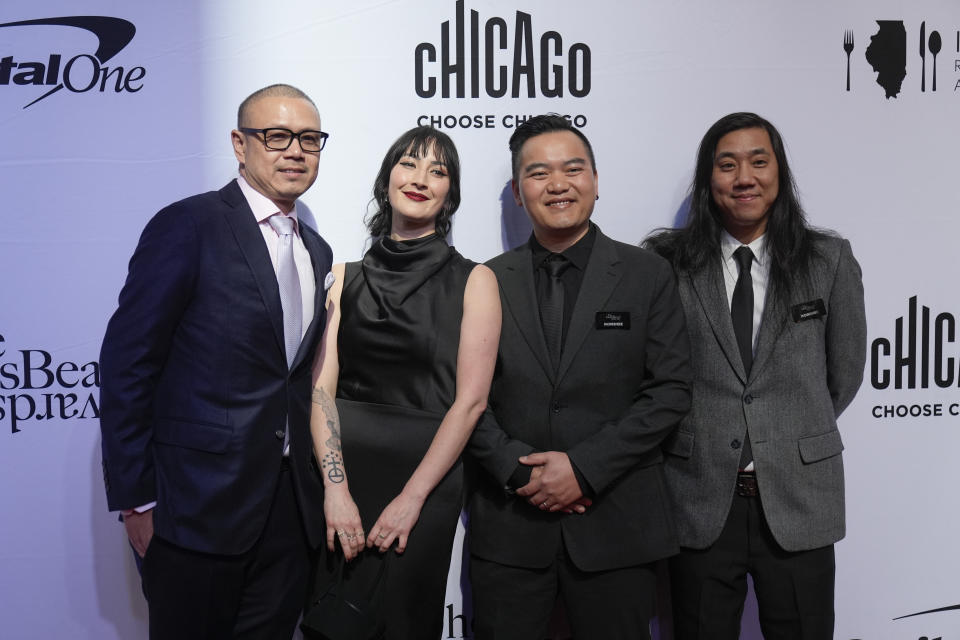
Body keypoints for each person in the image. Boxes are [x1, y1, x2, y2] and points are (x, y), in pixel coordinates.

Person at [99, 84, 333, 639]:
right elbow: (128, 362)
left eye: (310, 139)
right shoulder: (189, 225)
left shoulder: (316, 251)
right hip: (192, 510)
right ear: (239, 143)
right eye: (276, 136)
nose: (295, 151)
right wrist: (136, 500)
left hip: (287, 514)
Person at [467, 114, 692, 639]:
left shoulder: (647, 274)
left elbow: (670, 391)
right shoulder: (486, 280)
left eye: (573, 169)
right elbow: (466, 399)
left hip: (616, 525)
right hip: (511, 533)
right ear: (519, 194)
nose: (558, 184)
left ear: (595, 180)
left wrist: (584, 469)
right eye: (538, 173)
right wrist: (519, 472)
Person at [644, 112, 867, 638]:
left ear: (779, 173)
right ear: (708, 180)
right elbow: (650, 375)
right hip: (698, 499)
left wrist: (778, 431)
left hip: (799, 496)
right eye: (727, 164)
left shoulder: (827, 260)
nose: (744, 177)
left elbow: (845, 372)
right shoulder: (664, 263)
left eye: (758, 161)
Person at [307, 126, 500, 638]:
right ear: (386, 178)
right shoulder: (343, 277)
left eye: (438, 171)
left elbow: (471, 403)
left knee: (405, 624)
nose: (420, 179)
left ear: (450, 194)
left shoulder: (474, 280)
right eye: (409, 164)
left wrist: (412, 499)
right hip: (342, 479)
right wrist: (334, 491)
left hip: (426, 485)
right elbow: (321, 391)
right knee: (331, 623)